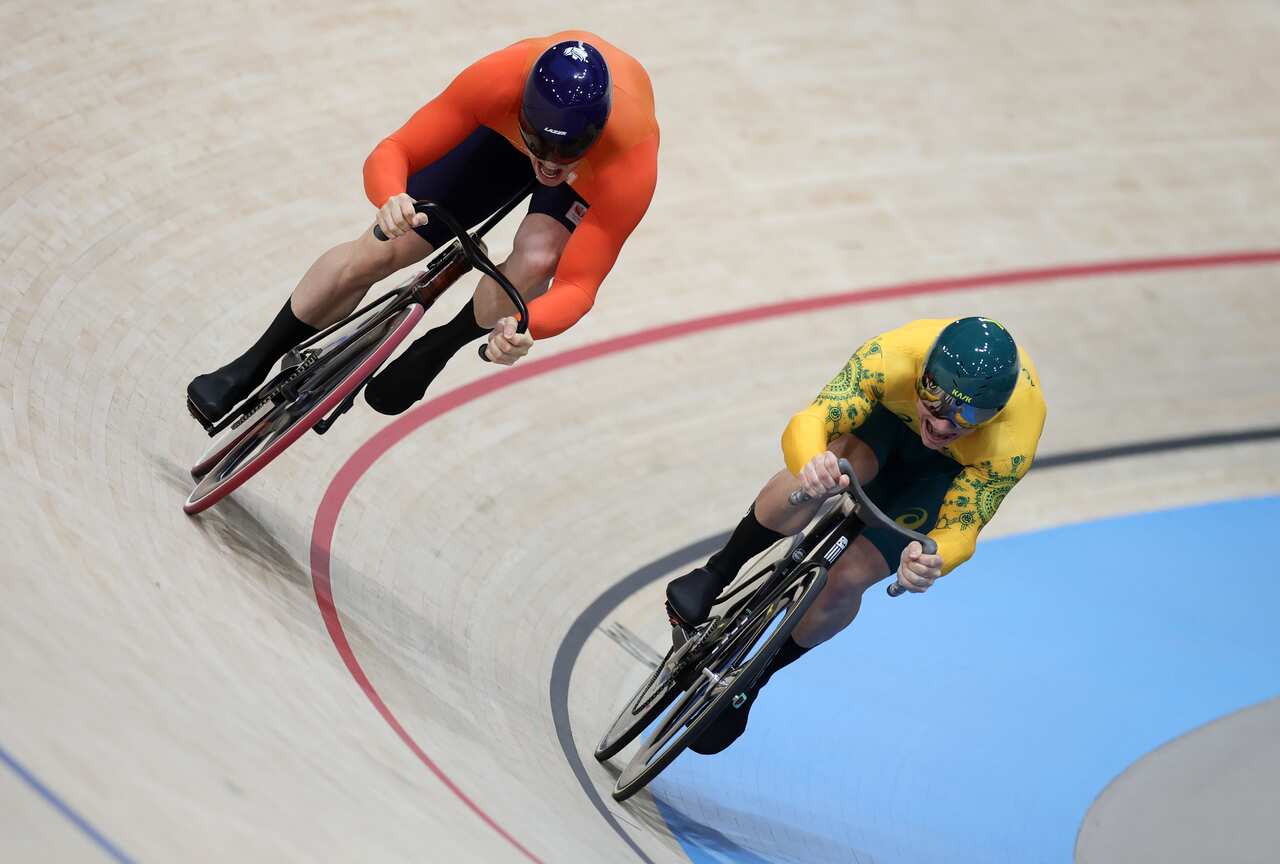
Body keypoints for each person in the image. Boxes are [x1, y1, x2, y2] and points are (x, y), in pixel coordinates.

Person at [187, 32, 659, 426]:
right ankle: (252, 362)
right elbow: (396, 149)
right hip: (500, 141)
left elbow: (579, 284)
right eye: (540, 145)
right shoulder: (497, 80)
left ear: (597, 134)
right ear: (521, 110)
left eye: (570, 150)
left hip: (591, 176)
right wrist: (391, 197)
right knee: (380, 250)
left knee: (537, 258)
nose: (551, 164)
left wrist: (526, 325)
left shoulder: (630, 159)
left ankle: (441, 343)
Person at [666, 317, 1046, 754]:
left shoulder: (1013, 442)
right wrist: (812, 462)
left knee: (845, 580)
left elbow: (962, 527)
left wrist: (931, 560)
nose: (943, 425)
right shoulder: (892, 357)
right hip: (885, 427)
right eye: (936, 401)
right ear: (922, 375)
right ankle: (717, 573)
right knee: (815, 477)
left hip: (943, 475)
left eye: (970, 415)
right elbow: (810, 421)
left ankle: (755, 678)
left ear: (997, 413)